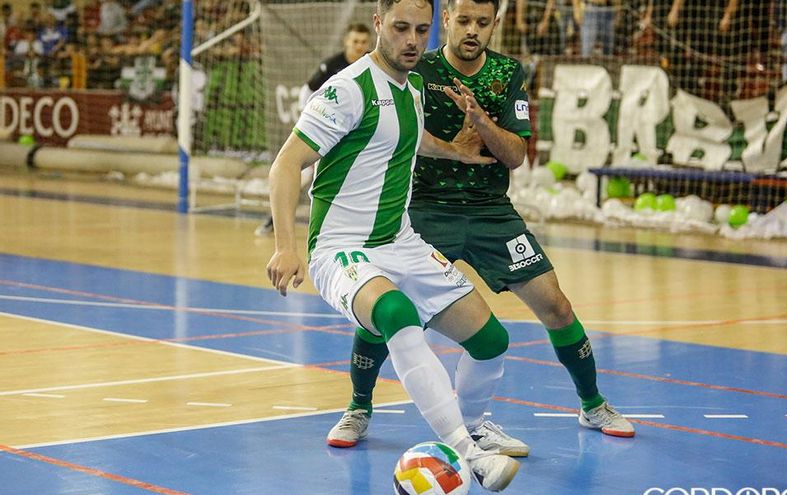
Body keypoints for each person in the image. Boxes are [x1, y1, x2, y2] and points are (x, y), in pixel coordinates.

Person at [326, 0, 635, 456]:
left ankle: (592, 404)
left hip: (491, 212)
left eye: (482, 23)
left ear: (495, 25)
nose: (472, 30)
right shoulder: (417, 68)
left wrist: (480, 120)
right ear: (446, 20)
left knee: (556, 306)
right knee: (383, 310)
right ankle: (358, 406)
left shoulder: (507, 73)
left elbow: (516, 155)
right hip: (424, 211)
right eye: (464, 20)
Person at [266, 0, 520, 490]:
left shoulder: (415, 85)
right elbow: (285, 164)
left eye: (421, 30)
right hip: (342, 248)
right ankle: (468, 455)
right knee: (398, 314)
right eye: (401, 28)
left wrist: (455, 152)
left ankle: (467, 428)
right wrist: (285, 246)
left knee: (492, 342)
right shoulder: (347, 89)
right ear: (379, 23)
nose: (412, 40)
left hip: (402, 242)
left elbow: (408, 136)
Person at [256, 22, 372, 237]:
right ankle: (275, 221)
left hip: (357, 134)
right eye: (355, 41)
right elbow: (307, 91)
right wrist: (311, 118)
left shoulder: (372, 64)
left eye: (364, 42)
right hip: (330, 132)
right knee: (303, 174)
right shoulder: (331, 66)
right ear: (346, 41)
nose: (359, 46)